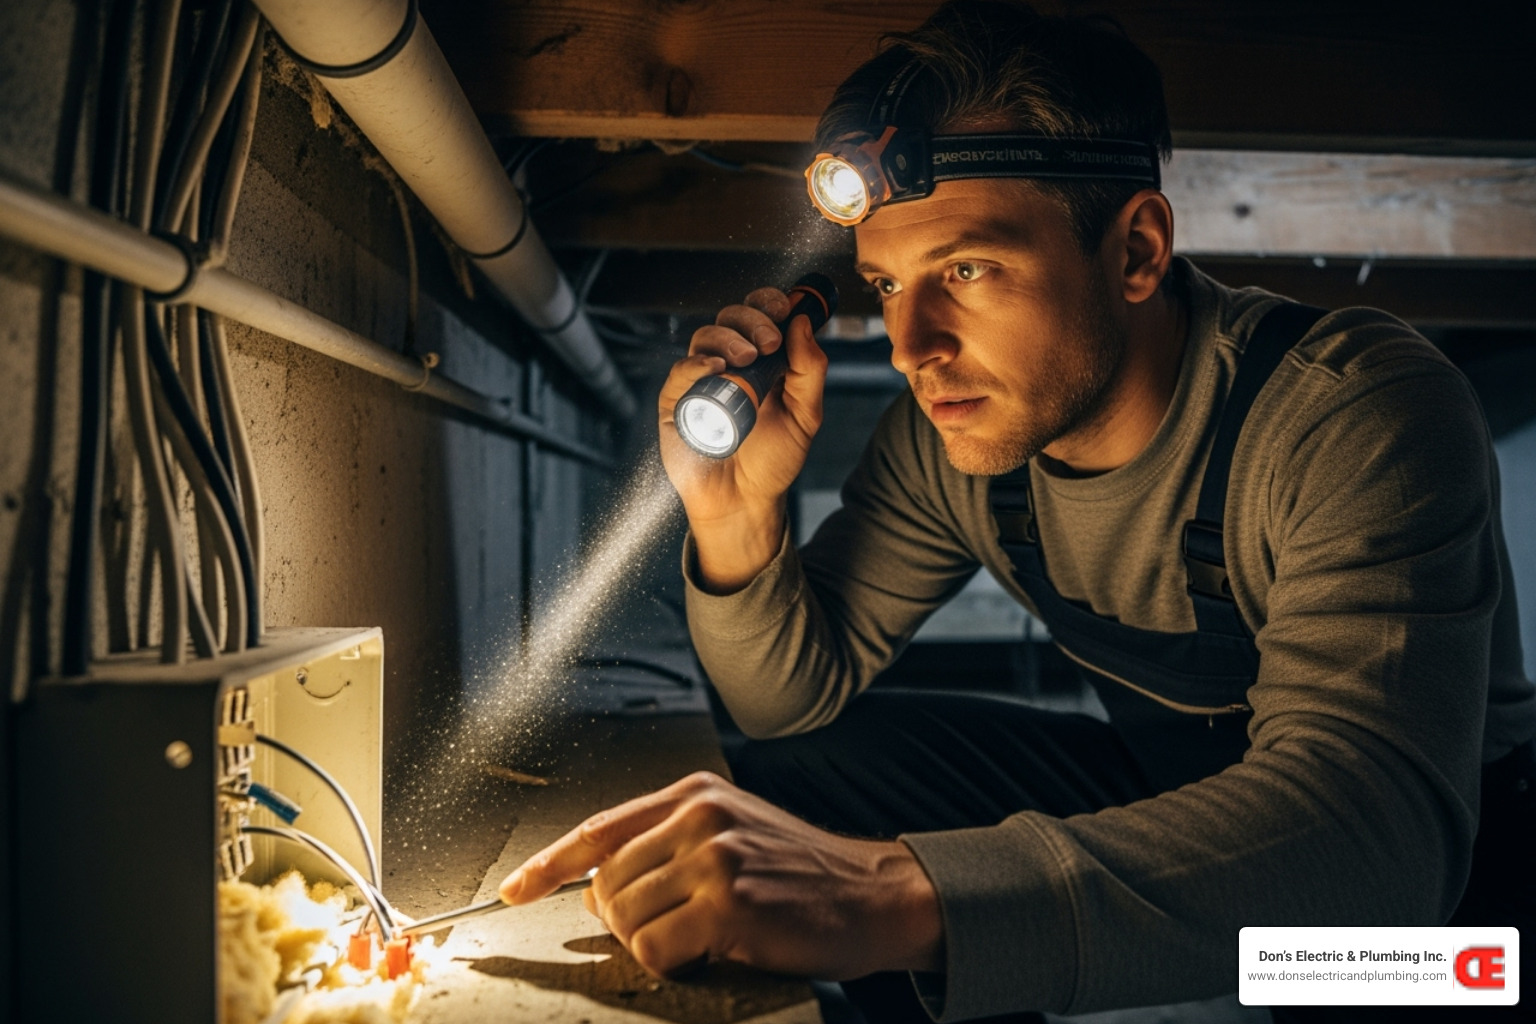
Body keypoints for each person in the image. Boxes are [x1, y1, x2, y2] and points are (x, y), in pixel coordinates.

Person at [499, 2, 1536, 1020]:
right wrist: (735, 514)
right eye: (886, 284)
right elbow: (784, 700)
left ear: (1135, 252)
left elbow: (1377, 847)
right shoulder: (954, 441)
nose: (912, 346)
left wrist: (892, 896)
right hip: (1167, 786)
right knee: (788, 794)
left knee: (1335, 973)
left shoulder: (1351, 410)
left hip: (1442, 920)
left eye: (967, 269)